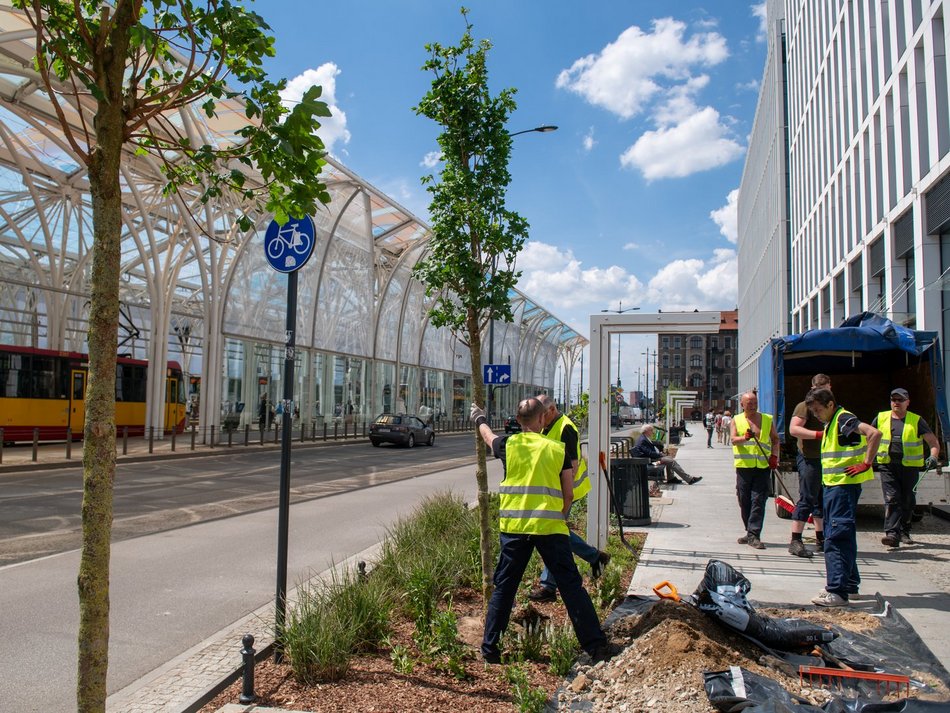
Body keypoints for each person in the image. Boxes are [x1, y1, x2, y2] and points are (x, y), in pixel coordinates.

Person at [470, 399, 614, 664]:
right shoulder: (556, 449)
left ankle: (490, 650)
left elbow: (487, 436)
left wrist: (478, 416)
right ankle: (595, 646)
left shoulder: (508, 446)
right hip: (549, 528)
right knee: (571, 587)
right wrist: (558, 516)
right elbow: (568, 493)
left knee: (505, 587)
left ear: (518, 420)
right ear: (540, 420)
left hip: (515, 529)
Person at [527, 394, 611, 603]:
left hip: (564, 491)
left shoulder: (565, 428)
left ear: (552, 410)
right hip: (553, 491)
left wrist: (563, 495)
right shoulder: (547, 425)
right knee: (557, 532)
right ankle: (595, 557)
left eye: (541, 415)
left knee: (554, 532)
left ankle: (548, 586)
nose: (538, 419)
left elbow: (572, 465)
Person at [805, 387, 881, 607]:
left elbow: (874, 433)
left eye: (819, 410)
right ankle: (849, 584)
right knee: (842, 534)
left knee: (836, 536)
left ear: (830, 404)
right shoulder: (834, 422)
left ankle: (837, 590)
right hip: (835, 486)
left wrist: (867, 462)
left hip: (842, 486)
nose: (817, 416)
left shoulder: (843, 419)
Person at [873, 388, 941, 548]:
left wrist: (933, 456)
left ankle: (904, 531)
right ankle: (892, 534)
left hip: (909, 467)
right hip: (887, 465)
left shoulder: (916, 420)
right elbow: (869, 436)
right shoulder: (881, 418)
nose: (896, 402)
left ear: (907, 402)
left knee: (907, 500)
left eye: (900, 400)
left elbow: (933, 442)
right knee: (892, 498)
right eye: (893, 399)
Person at [786, 373, 830, 557]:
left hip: (826, 459)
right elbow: (794, 429)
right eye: (820, 389)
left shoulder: (830, 407)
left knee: (820, 501)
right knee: (807, 499)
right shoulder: (804, 407)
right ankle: (795, 540)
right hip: (810, 459)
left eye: (826, 388)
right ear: (813, 388)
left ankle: (821, 538)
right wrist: (818, 435)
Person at [730, 391, 780, 549]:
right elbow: (733, 440)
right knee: (744, 500)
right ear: (742, 405)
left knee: (758, 500)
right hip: (744, 467)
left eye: (754, 402)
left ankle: (754, 534)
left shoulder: (766, 419)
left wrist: (774, 456)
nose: (752, 405)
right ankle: (749, 530)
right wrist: (744, 438)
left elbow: (775, 439)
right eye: (749, 403)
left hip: (763, 466)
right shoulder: (736, 420)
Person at [633, 424, 702, 484]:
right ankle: (689, 479)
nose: (652, 432)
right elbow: (649, 453)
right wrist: (660, 454)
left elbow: (649, 451)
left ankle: (671, 478)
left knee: (669, 459)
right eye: (651, 430)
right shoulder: (642, 440)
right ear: (646, 431)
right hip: (650, 461)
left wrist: (659, 453)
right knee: (670, 461)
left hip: (651, 458)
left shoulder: (645, 438)